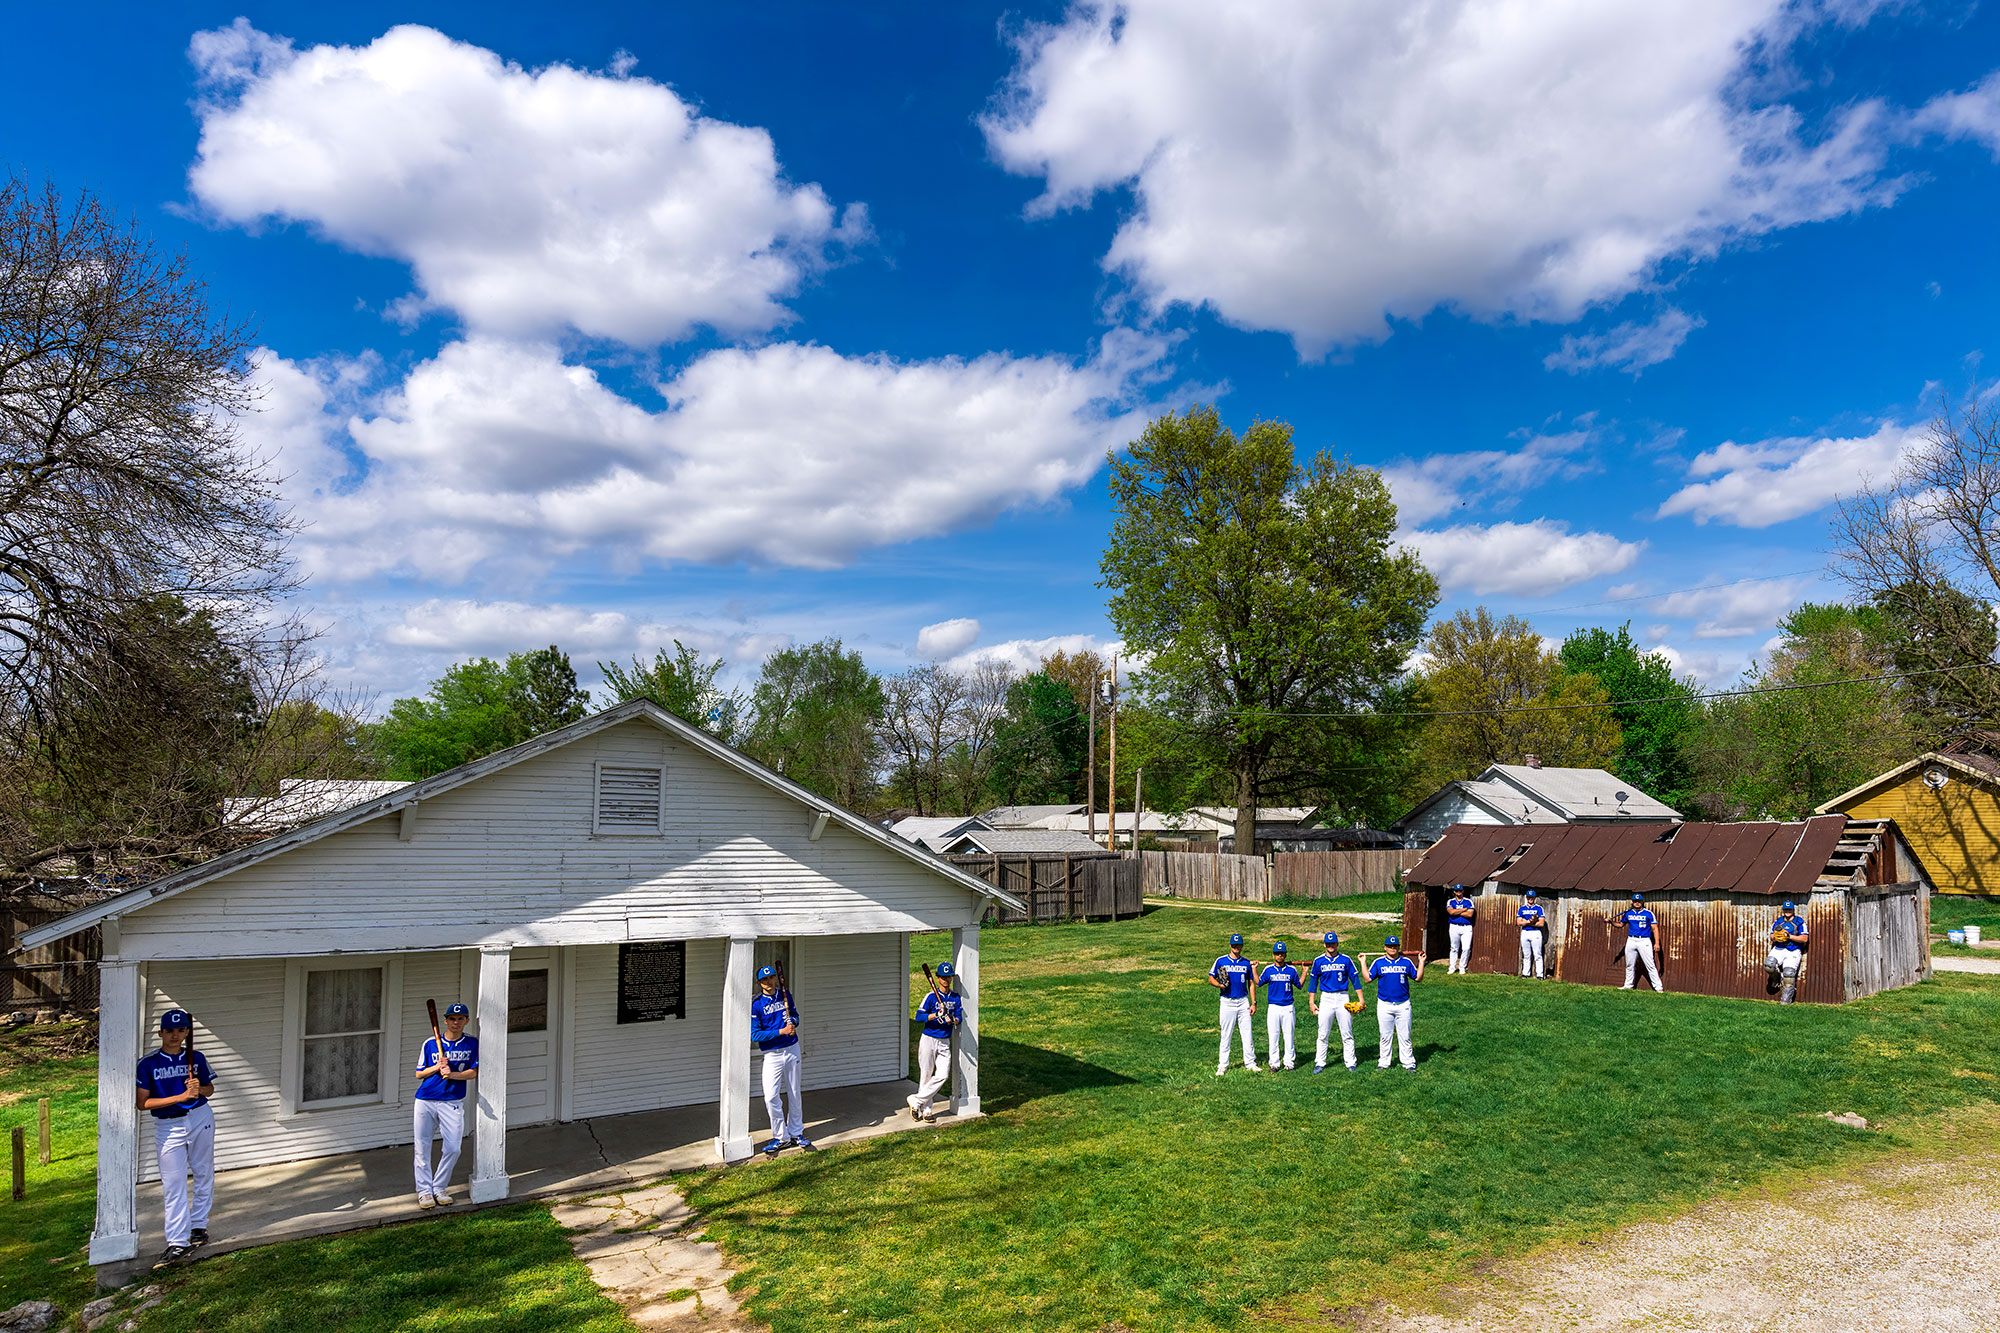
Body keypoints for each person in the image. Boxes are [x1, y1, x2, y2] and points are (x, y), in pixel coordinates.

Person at [136, 1009, 215, 1266]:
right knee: (174, 1183)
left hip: (199, 1117)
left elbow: (209, 1089)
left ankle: (198, 1227)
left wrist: (198, 1089)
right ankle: (177, 1242)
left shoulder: (197, 1058)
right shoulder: (148, 1064)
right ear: (161, 1033)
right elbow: (143, 1103)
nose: (175, 1036)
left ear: (187, 1032)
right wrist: (179, 1097)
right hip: (168, 1125)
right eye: (170, 1031)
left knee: (203, 1171)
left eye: (181, 1031)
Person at [413, 1002, 478, 1208]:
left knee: (453, 1148)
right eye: (452, 1019)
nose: (455, 1022)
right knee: (422, 1147)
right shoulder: (431, 1043)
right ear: (445, 1021)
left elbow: (474, 1072)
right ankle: (424, 1191)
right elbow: (419, 1073)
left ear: (466, 1021)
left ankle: (439, 1187)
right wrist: (436, 1067)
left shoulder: (472, 1043)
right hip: (426, 1100)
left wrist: (453, 1074)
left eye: (460, 1019)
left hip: (452, 1101)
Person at [752, 964, 813, 1154]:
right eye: (764, 980)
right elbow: (755, 1035)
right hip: (772, 1055)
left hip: (792, 1049)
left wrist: (793, 1023)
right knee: (771, 1096)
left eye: (771, 978)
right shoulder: (757, 1004)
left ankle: (796, 1133)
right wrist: (780, 1031)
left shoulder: (785, 995)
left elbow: (796, 1017)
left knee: (795, 1092)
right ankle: (780, 1136)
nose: (768, 982)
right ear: (759, 983)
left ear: (775, 979)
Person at [908, 962, 963, 1122]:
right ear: (938, 978)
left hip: (944, 1040)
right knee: (926, 1075)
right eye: (943, 977)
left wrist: (952, 1019)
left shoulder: (955, 997)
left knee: (943, 1075)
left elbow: (959, 1017)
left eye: (949, 976)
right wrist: (935, 1015)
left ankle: (916, 1101)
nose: (946, 979)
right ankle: (926, 1110)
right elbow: (919, 1017)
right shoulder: (931, 996)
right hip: (929, 1039)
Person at [1307, 931, 1363, 1073]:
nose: (1331, 945)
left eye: (1333, 943)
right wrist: (1311, 1002)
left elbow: (1355, 980)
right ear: (1325, 944)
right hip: (1326, 998)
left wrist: (1361, 999)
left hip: (1343, 997)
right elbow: (1313, 983)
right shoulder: (1318, 961)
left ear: (1337, 944)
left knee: (1347, 1032)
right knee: (1322, 1033)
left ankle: (1350, 1062)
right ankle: (1320, 1062)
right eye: (1328, 943)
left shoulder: (1346, 960)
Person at [1367, 936, 1425, 1071]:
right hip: (1384, 1004)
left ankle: (1408, 1062)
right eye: (1390, 946)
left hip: (1403, 1004)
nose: (1392, 948)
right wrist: (1363, 962)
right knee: (1385, 1036)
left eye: (1395, 946)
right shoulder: (1378, 962)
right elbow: (1367, 978)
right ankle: (1384, 1062)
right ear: (1385, 947)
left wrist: (1421, 962)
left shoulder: (1406, 962)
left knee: (1405, 1035)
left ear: (1398, 947)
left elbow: (1418, 978)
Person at [1208, 934, 1260, 1075]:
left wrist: (1253, 1003)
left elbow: (1251, 984)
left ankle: (1250, 1063)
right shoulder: (1221, 961)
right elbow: (1210, 978)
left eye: (1239, 945)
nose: (1236, 947)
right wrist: (1220, 984)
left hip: (1243, 1001)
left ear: (1242, 946)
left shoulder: (1246, 963)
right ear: (1230, 945)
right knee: (1226, 1034)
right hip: (1227, 1001)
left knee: (1247, 1033)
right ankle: (1223, 1065)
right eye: (1234, 945)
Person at [1259, 942, 1302, 1071]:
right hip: (1273, 1007)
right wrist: (1255, 969)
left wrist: (1304, 972)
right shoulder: (1268, 970)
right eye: (1277, 953)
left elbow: (1299, 985)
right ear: (1273, 955)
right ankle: (1274, 1063)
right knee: (1273, 1035)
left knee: (1289, 1035)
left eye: (1282, 953)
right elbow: (1259, 983)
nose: (1280, 956)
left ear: (1285, 954)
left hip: (1288, 1006)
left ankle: (1289, 1063)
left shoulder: (1291, 970)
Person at [1766, 900, 1809, 1004]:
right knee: (1768, 965)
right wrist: (1776, 938)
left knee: (1789, 974)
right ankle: (1777, 978)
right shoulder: (1778, 921)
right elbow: (1772, 935)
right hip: (1779, 948)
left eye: (1790, 910)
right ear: (1783, 910)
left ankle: (1786, 1001)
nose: (1788, 911)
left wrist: (1789, 936)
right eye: (1786, 910)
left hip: (1793, 950)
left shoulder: (1800, 922)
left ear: (1793, 910)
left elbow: (1804, 939)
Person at [1620, 893, 1664, 992]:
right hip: (1631, 939)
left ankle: (1658, 988)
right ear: (1632, 902)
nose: (1637, 903)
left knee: (1650, 964)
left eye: (1639, 901)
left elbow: (1655, 929)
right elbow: (1620, 924)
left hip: (1644, 940)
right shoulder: (1628, 913)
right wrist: (1610, 922)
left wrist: (1657, 943)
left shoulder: (1648, 913)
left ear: (1642, 902)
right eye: (1635, 901)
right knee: (1629, 964)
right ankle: (1628, 985)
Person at [1517, 889, 1549, 979]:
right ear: (1526, 898)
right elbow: (1519, 922)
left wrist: (1526, 922)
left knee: (1537, 954)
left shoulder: (1539, 908)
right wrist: (1529, 921)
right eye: (1529, 897)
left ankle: (1540, 975)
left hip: (1535, 933)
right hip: (1525, 932)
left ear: (1535, 898)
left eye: (1532, 897)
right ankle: (1525, 973)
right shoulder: (1522, 908)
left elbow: (1541, 923)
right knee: (1526, 954)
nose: (1530, 899)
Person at [1445, 884, 1477, 974]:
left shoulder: (1468, 901)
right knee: (1454, 947)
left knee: (1466, 948)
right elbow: (1451, 912)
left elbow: (1470, 914)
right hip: (1454, 926)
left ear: (1463, 891)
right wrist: (1464, 910)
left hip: (1466, 927)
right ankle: (1452, 967)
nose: (1458, 892)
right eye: (1457, 891)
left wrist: (1456, 912)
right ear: (1454, 892)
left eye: (1460, 891)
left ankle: (1462, 966)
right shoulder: (1450, 901)